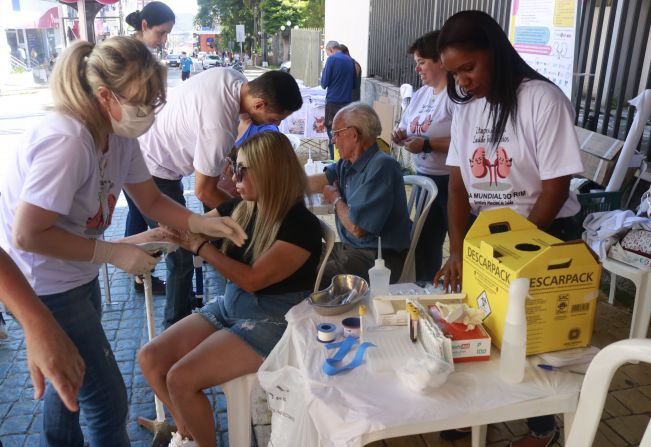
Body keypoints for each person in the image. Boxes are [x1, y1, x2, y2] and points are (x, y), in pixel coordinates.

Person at [0, 37, 246, 447]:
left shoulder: (118, 135)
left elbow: (149, 198)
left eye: (154, 101)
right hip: (42, 285)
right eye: (142, 101)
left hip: (77, 274)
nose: (148, 112)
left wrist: (202, 223)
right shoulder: (67, 140)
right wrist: (111, 252)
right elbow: (27, 234)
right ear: (104, 96)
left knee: (69, 387)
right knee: (108, 402)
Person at [434, 11, 584, 447]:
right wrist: (459, 250)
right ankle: (479, 406)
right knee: (480, 323)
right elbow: (458, 188)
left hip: (547, 232)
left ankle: (544, 427)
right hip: (488, 234)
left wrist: (518, 251)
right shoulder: (467, 108)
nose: (462, 81)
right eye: (454, 72)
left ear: (495, 53)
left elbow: (555, 189)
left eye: (469, 67)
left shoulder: (542, 100)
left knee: (532, 338)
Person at [137, 132, 322, 447]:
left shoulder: (300, 225)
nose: (232, 178)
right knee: (151, 358)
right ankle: (188, 435)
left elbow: (252, 280)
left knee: (180, 379)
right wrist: (118, 248)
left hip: (272, 321)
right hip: (232, 306)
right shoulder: (242, 207)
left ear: (269, 171)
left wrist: (201, 247)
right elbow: (186, 228)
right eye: (233, 168)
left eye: (242, 170)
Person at [138, 68, 302, 329]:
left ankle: (184, 307)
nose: (277, 124)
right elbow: (204, 191)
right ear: (259, 104)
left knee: (194, 232)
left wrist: (229, 158)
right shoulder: (219, 127)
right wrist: (251, 212)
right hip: (154, 168)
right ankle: (175, 324)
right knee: (181, 253)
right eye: (274, 117)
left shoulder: (233, 78)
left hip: (155, 152)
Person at [309, 102, 411, 287]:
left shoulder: (382, 167)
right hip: (352, 250)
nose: (333, 140)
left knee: (312, 277)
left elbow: (357, 227)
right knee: (301, 253)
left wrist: (335, 198)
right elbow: (319, 181)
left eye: (336, 133)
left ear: (354, 134)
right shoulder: (348, 163)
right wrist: (280, 185)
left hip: (378, 258)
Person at [391, 31, 455, 281]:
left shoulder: (455, 96)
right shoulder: (421, 94)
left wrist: (427, 145)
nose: (417, 69)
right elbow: (406, 126)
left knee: (461, 243)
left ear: (440, 61)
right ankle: (427, 286)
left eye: (421, 62)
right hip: (425, 178)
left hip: (452, 181)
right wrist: (400, 134)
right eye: (416, 63)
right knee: (426, 242)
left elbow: (467, 142)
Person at [124, 0, 176, 294]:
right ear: (144, 26)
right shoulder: (131, 56)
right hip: (140, 153)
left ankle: (138, 275)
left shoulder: (142, 54)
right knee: (144, 216)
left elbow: (153, 203)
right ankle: (140, 274)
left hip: (138, 152)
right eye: (161, 32)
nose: (164, 39)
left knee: (137, 211)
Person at [0, 248, 85, 413]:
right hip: (49, 283)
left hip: (76, 276)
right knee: (104, 400)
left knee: (72, 381)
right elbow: (24, 234)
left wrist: (36, 322)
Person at [321, 40, 358, 159]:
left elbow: (324, 83)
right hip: (347, 104)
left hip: (333, 103)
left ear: (331, 50)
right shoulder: (350, 61)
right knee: (345, 133)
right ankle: (345, 159)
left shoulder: (331, 59)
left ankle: (334, 160)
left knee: (333, 133)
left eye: (328, 53)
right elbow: (354, 85)